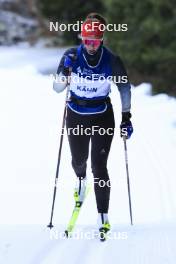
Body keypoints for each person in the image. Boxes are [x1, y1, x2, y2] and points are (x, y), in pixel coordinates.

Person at [53, 13, 133, 235]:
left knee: (99, 166)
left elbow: (124, 88)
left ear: (102, 40)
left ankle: (103, 214)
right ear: (81, 38)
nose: (90, 46)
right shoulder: (71, 55)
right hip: (76, 114)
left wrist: (126, 117)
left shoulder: (112, 61)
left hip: (101, 116)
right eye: (87, 41)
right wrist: (63, 71)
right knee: (79, 161)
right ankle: (80, 180)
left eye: (95, 42)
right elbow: (57, 88)